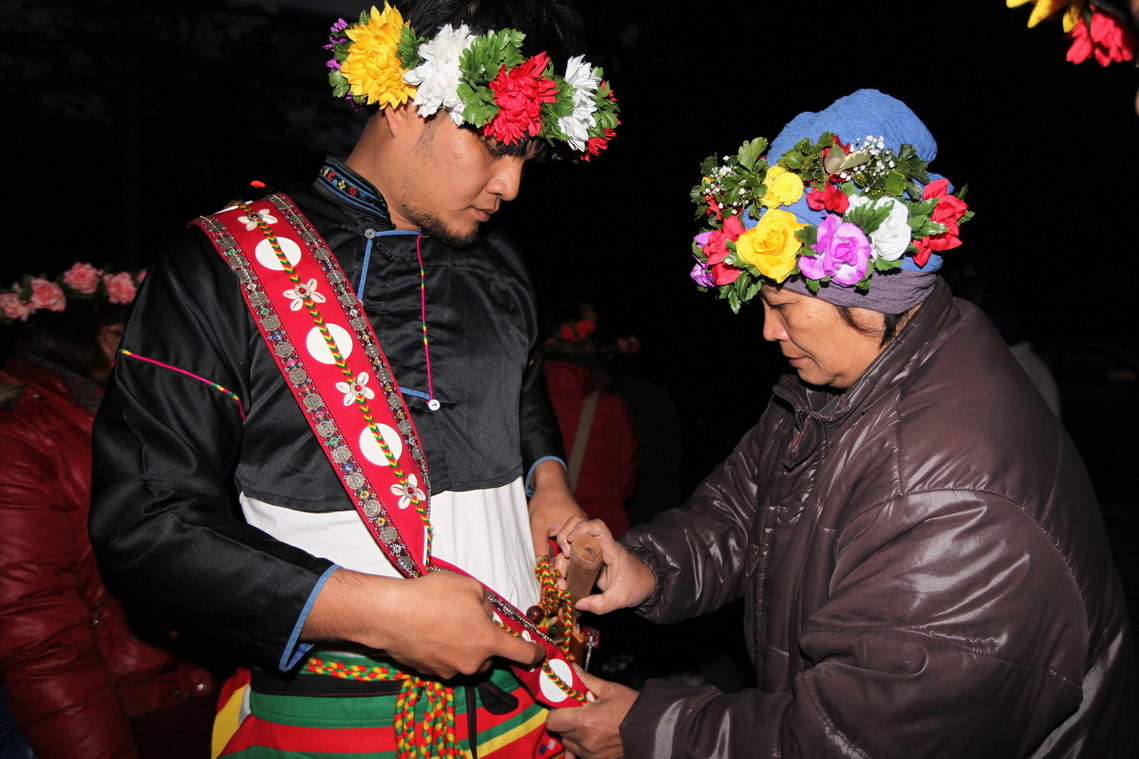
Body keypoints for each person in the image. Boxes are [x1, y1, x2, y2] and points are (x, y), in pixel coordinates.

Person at [88, 1, 620, 756]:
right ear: (405, 102)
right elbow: (143, 523)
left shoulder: (502, 264)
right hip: (325, 722)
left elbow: (523, 391)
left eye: (529, 157)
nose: (511, 184)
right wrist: (380, 614)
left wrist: (550, 483)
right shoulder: (217, 266)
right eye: (496, 145)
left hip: (525, 716)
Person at [546, 89, 1136, 757]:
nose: (768, 332)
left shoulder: (956, 492)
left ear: (864, 291)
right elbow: (743, 508)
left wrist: (648, 729)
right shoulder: (840, 377)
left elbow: (861, 740)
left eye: (783, 307)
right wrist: (649, 566)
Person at [0, 264, 216, 759]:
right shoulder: (22, 437)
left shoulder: (130, 411)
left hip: (188, 692)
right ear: (103, 337)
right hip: (114, 709)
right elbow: (37, 630)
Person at [542, 304, 639, 538]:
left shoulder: (522, 404)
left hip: (541, 532)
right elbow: (627, 478)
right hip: (601, 533)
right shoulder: (610, 405)